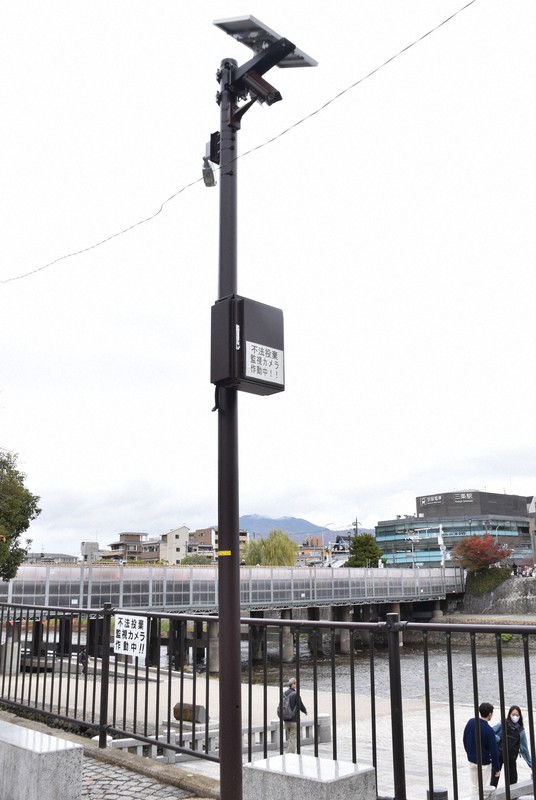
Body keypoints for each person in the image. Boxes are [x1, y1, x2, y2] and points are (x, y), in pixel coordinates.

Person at [463, 702, 501, 800]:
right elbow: (494, 751)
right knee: (484, 788)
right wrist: (497, 768)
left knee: (474, 786)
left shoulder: (471, 722)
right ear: (490, 714)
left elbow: (465, 739)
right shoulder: (489, 730)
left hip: (472, 759)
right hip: (484, 762)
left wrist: (469, 753)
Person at [491, 705, 532, 786]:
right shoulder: (502, 724)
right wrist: (498, 739)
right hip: (500, 755)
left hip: (511, 758)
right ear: (509, 714)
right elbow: (491, 732)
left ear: (520, 716)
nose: (515, 717)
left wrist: (531, 765)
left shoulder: (521, 731)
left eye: (517, 715)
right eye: (513, 714)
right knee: (494, 780)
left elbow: (524, 750)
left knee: (512, 782)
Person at [283, 677, 307, 754]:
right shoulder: (295, 694)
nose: (296, 685)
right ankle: (290, 754)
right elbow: (300, 705)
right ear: (292, 684)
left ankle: (289, 752)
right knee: (293, 738)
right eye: (296, 683)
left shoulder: (284, 694)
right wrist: (305, 711)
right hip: (294, 720)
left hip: (286, 719)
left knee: (289, 738)